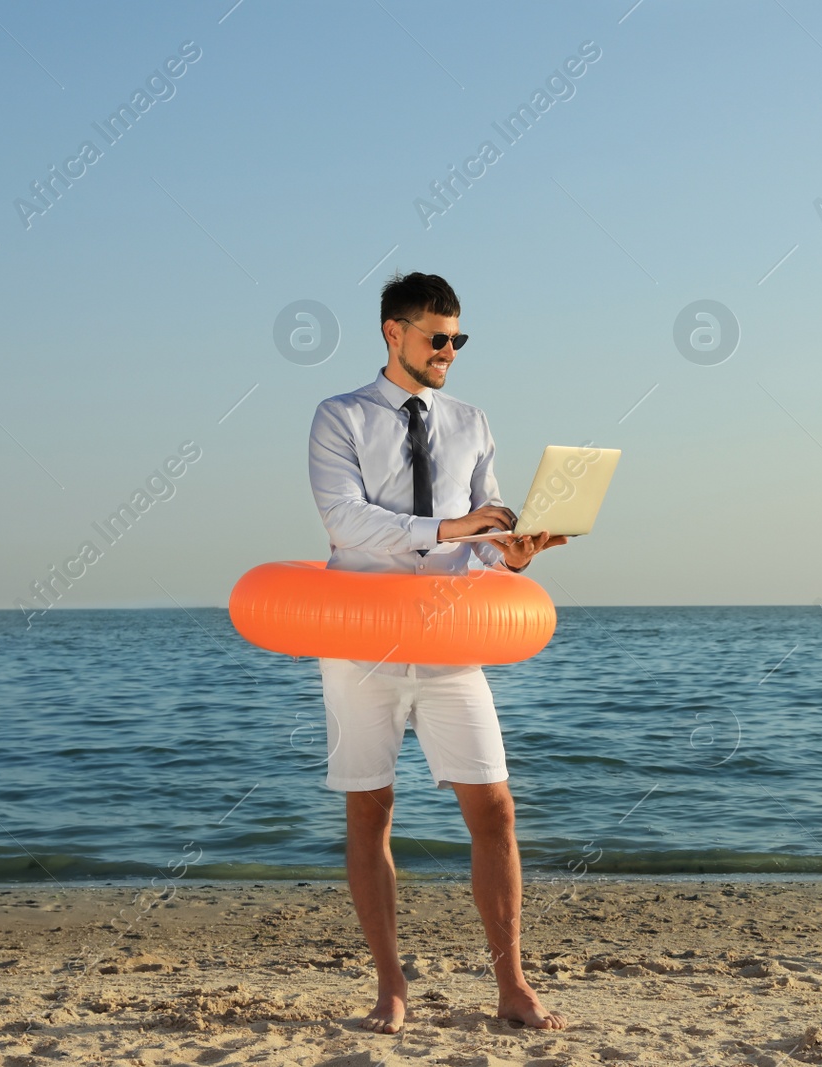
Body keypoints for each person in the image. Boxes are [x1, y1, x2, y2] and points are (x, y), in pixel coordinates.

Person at [307, 271, 568, 1034]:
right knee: (372, 808)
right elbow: (346, 522)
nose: (450, 349)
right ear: (394, 333)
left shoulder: (472, 421)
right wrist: (450, 529)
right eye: (437, 337)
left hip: (452, 642)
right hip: (362, 644)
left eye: (458, 338)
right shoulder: (340, 416)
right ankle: (391, 988)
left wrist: (511, 553)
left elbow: (483, 537)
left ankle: (513, 984)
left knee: (494, 808)